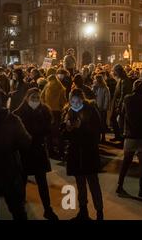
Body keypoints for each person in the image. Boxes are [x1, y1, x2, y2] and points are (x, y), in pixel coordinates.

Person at [13, 88, 58, 220]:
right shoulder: (18, 113)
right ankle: (20, 210)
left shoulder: (44, 111)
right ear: (26, 98)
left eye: (37, 98)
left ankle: (47, 209)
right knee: (22, 182)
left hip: (38, 151)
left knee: (42, 183)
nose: (35, 100)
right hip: (24, 152)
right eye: (33, 98)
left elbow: (48, 129)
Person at [61, 88, 103, 220]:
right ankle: (83, 211)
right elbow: (63, 134)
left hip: (89, 153)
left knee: (93, 184)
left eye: (77, 100)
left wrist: (82, 127)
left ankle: (99, 212)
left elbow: (97, 131)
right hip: (75, 154)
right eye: (72, 101)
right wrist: (67, 129)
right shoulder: (68, 111)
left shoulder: (91, 110)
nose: (75, 103)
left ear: (82, 99)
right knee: (80, 185)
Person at [116, 80, 142, 198]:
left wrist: (122, 131)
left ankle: (120, 185)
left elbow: (121, 115)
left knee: (126, 161)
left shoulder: (127, 99)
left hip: (130, 135)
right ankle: (141, 189)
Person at [0, 88, 31, 220]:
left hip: (7, 170)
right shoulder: (12, 119)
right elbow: (26, 142)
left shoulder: (12, 119)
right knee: (18, 210)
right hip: (9, 170)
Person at [41, 75, 67, 159]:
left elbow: (41, 97)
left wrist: (45, 106)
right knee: (58, 132)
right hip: (57, 112)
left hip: (48, 111)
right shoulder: (60, 88)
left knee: (48, 132)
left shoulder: (47, 86)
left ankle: (50, 150)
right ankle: (61, 151)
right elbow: (63, 101)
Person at [110, 64, 132, 142]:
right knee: (114, 119)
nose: (114, 73)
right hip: (118, 102)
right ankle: (118, 136)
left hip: (122, 103)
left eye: (115, 71)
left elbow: (123, 94)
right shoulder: (120, 79)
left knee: (121, 121)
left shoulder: (124, 80)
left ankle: (121, 139)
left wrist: (119, 105)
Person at [92, 74, 110, 142]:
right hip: (96, 107)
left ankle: (103, 136)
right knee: (97, 123)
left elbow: (107, 98)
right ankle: (97, 136)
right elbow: (92, 95)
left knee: (102, 123)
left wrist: (105, 108)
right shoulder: (95, 88)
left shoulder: (105, 88)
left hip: (101, 108)